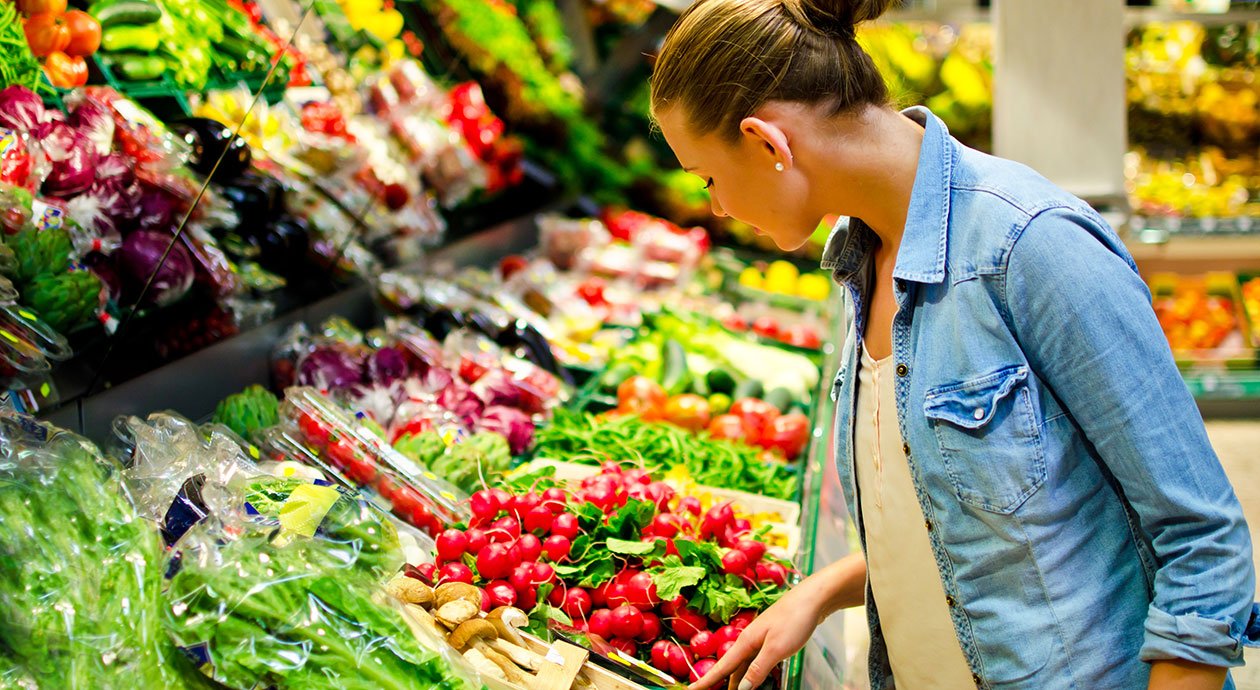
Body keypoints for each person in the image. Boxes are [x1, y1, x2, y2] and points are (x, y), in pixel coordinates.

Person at [649, 0, 1260, 688]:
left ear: (768, 143)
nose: (717, 208)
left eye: (707, 178)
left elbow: (1203, 546)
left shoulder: (1031, 246)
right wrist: (820, 591)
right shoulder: (860, 259)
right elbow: (961, 517)